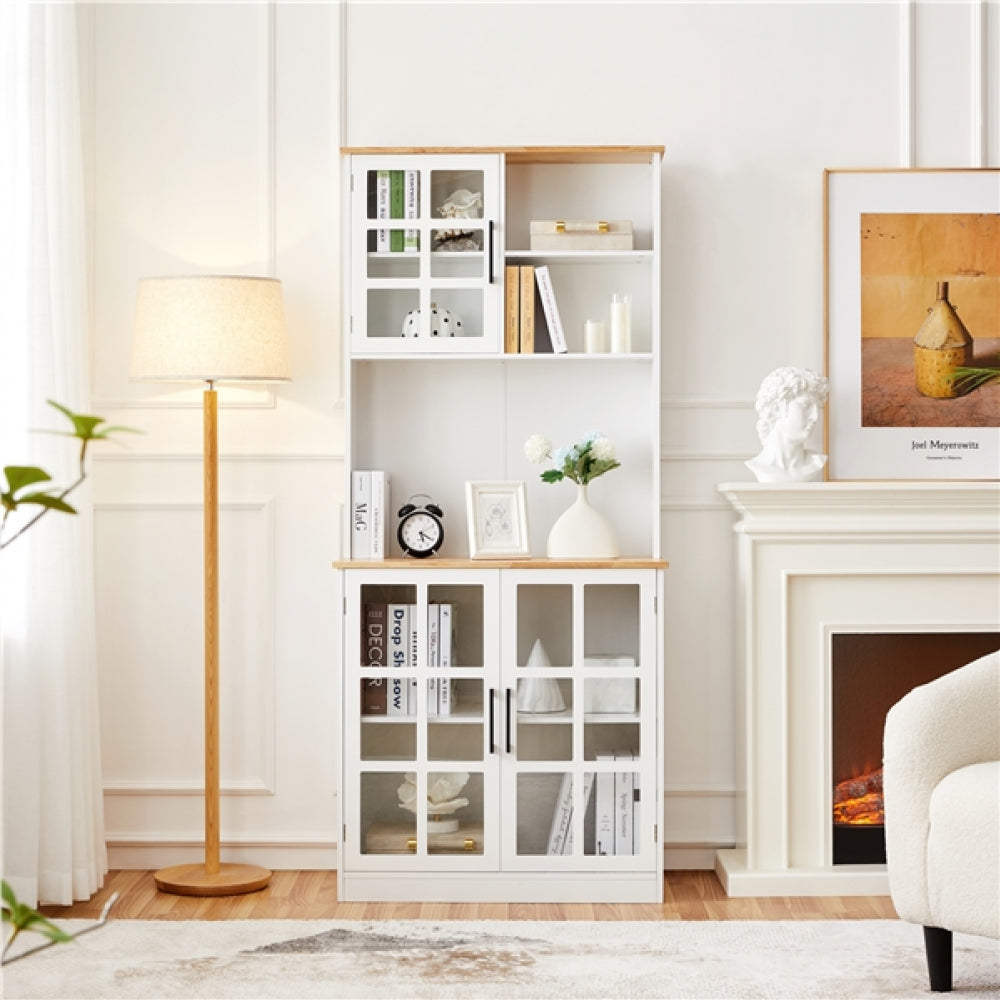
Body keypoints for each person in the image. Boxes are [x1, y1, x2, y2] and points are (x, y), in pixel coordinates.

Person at [746, 366, 829, 483]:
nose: (815, 417)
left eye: (818, 409)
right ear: (777, 408)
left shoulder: (816, 463)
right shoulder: (758, 466)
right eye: (805, 406)